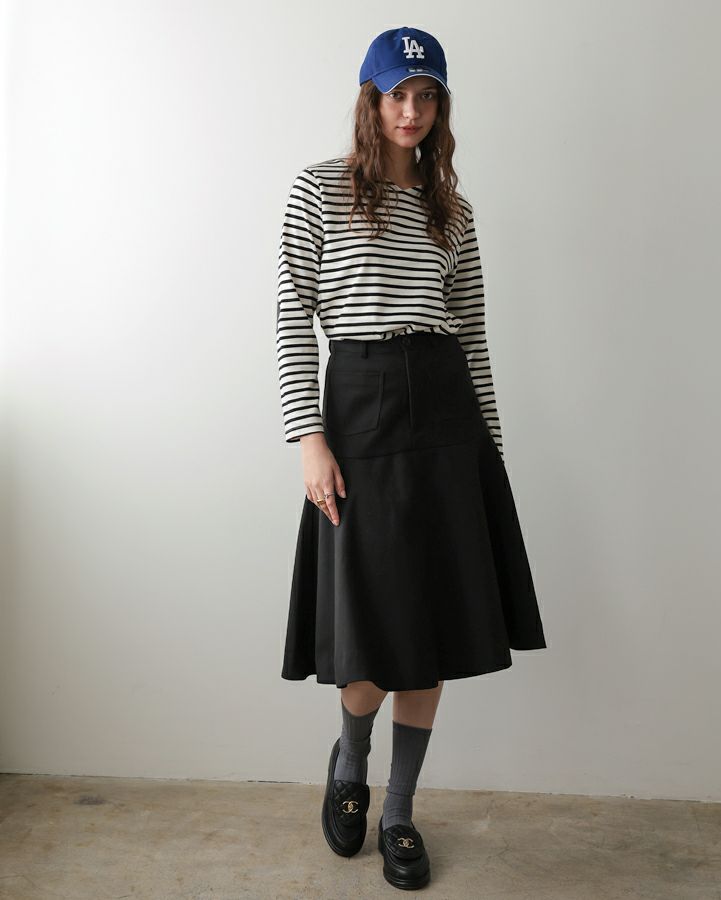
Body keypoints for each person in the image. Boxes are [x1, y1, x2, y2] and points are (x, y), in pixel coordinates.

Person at [275, 26, 547, 891]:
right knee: (369, 635)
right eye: (398, 93)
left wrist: (489, 453)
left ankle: (398, 809)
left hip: (446, 417)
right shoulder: (319, 189)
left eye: (427, 96)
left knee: (433, 626)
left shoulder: (452, 211)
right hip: (357, 412)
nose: (412, 110)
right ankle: (350, 764)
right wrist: (309, 438)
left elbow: (473, 337)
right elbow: (292, 314)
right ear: (371, 98)